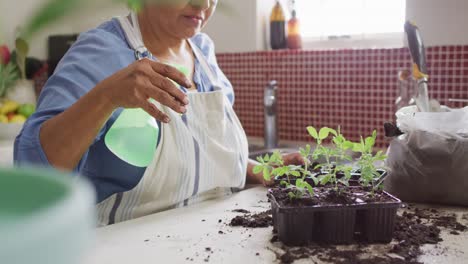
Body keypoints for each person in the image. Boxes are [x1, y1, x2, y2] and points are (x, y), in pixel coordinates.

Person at [14, 0, 303, 225]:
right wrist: (107, 96)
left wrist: (259, 170)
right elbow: (34, 169)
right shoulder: (101, 50)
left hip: (209, 242)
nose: (203, 4)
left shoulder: (203, 51)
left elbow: (202, 155)